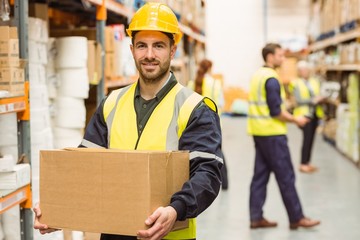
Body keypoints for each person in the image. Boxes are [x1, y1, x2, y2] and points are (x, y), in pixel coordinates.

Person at [34, 3, 223, 240]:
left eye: (159, 46)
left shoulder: (195, 108)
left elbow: (207, 174)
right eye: (142, 46)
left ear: (172, 51)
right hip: (115, 233)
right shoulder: (111, 103)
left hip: (167, 234)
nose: (150, 55)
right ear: (132, 50)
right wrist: (59, 209)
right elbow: (86, 168)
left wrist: (176, 210)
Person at [247, 43, 320, 230]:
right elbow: (275, 112)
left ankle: (256, 217)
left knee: (260, 176)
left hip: (259, 132)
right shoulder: (271, 79)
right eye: (280, 55)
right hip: (273, 134)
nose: (283, 59)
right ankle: (297, 217)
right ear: (270, 57)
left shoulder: (257, 75)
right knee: (286, 176)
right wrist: (296, 120)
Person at [190, 59, 228, 190]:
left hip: (195, 124)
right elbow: (221, 103)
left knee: (196, 154)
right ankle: (224, 183)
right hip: (213, 123)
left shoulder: (191, 83)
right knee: (218, 153)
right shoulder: (215, 84)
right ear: (210, 68)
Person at [291, 60, 325, 173]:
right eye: (302, 70)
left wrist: (320, 98)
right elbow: (299, 100)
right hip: (304, 115)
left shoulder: (314, 81)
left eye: (306, 69)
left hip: (315, 113)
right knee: (307, 139)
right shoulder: (295, 83)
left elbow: (318, 93)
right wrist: (313, 100)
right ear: (299, 71)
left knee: (311, 139)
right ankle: (303, 163)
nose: (304, 71)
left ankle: (307, 162)